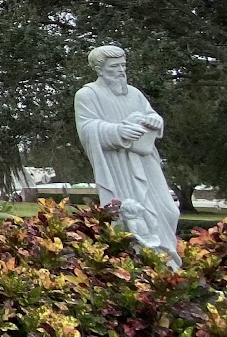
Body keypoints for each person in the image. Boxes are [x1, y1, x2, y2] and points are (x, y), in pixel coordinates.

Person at [75, 45, 182, 268]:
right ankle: (140, 264)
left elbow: (151, 115)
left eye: (123, 65)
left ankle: (167, 261)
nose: (121, 71)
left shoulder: (134, 93)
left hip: (144, 161)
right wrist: (117, 132)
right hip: (117, 165)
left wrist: (155, 121)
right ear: (100, 69)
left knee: (168, 210)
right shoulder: (87, 95)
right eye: (115, 66)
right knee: (130, 215)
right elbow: (87, 128)